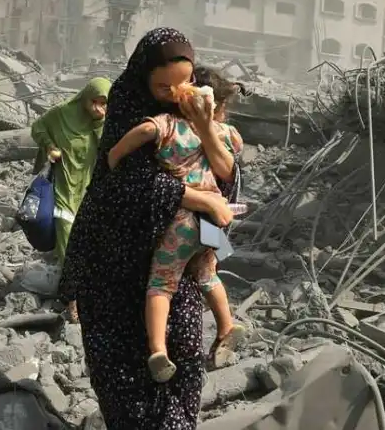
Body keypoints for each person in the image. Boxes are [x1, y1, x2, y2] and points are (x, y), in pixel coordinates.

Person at [59, 28, 237, 428]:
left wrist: (206, 126)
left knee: (185, 368)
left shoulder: (199, 112)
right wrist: (199, 198)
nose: (174, 92)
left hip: (179, 265)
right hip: (117, 273)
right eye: (162, 85)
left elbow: (226, 176)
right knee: (130, 384)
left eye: (183, 82)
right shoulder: (128, 109)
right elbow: (121, 177)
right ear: (143, 78)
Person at [107, 67, 246, 382]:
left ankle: (157, 350)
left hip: (182, 220)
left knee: (161, 284)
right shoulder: (226, 133)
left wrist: (115, 154)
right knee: (208, 273)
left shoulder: (169, 126)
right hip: (214, 220)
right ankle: (226, 325)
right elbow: (233, 155)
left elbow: (144, 132)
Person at [30, 77, 111, 322]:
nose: (98, 107)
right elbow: (38, 128)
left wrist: (100, 121)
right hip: (64, 190)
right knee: (68, 245)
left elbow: (110, 150)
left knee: (91, 244)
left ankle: (90, 292)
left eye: (104, 103)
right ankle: (74, 301)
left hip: (90, 191)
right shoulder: (62, 114)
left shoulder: (105, 122)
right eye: (94, 102)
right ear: (85, 98)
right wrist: (50, 147)